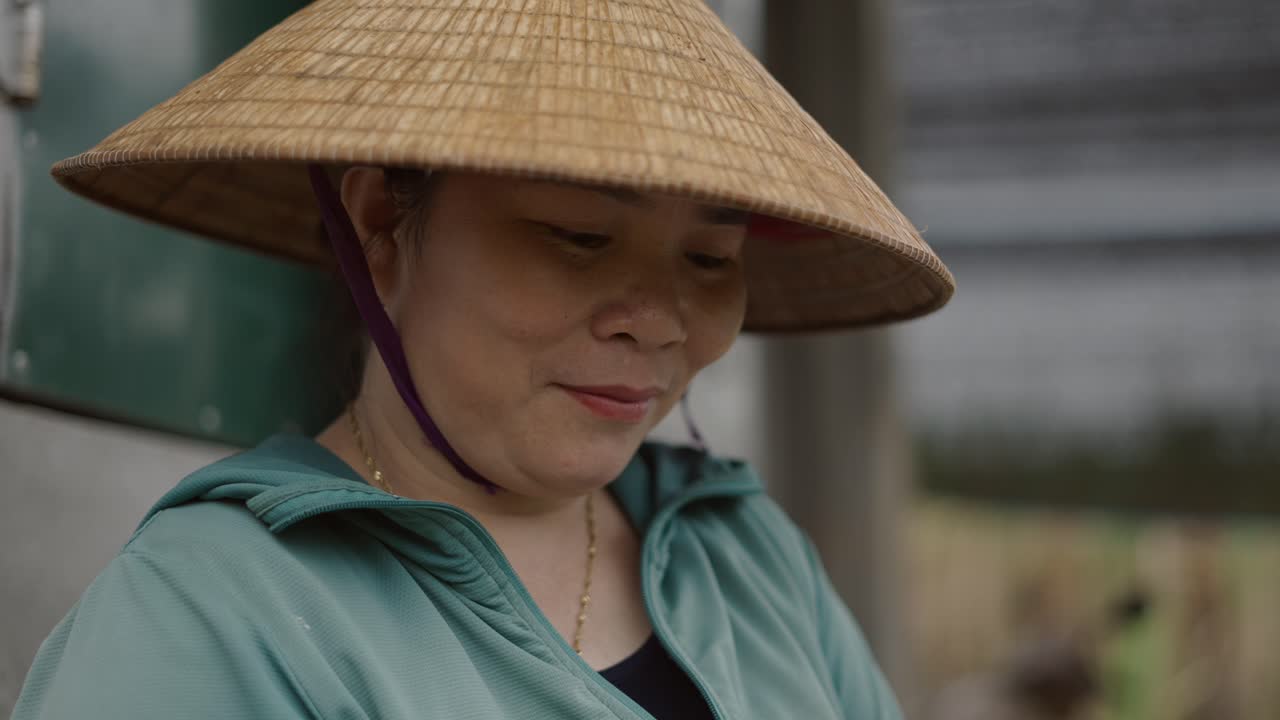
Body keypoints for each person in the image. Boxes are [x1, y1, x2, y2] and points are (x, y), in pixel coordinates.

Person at [13, 1, 954, 718]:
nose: (660, 321)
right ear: (381, 220)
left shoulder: (747, 560)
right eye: (580, 235)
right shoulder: (211, 616)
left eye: (711, 258)